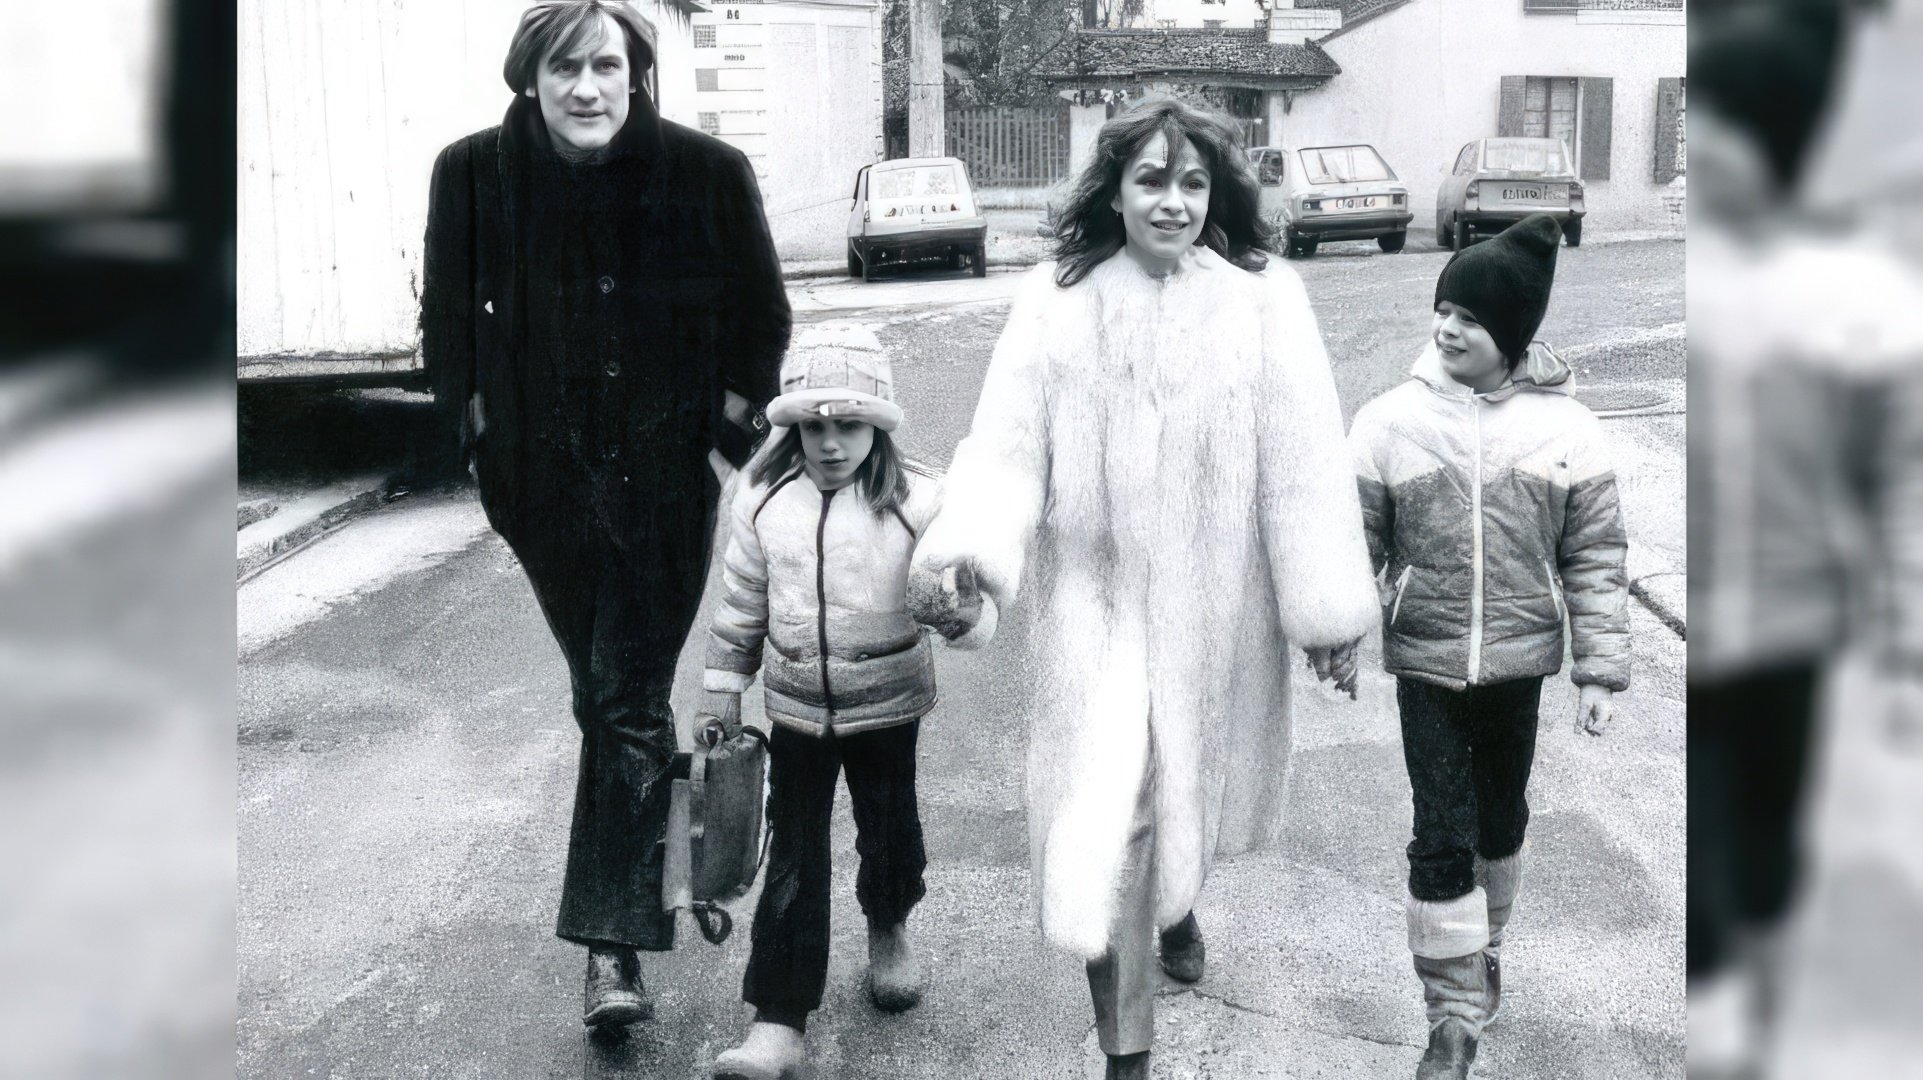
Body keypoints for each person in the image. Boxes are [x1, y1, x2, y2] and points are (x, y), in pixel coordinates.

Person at [907, 98, 1378, 1080]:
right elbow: (1004, 452)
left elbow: (1303, 470)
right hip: (1099, 614)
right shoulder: (1058, 299)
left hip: (1217, 618)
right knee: (1106, 828)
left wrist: (1327, 615)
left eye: (1193, 182)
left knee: (1178, 803)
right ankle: (1127, 1057)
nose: (1173, 202)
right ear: (1113, 190)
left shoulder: (1264, 300)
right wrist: (970, 557)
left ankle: (1183, 903)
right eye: (1152, 180)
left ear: (1218, 195)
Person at [418, 0, 791, 1030]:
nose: (587, 88)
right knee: (604, 699)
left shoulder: (706, 174)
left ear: (637, 75)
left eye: (606, 66)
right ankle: (669, 862)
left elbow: (762, 320)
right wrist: (480, 444)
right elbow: (445, 323)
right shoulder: (473, 174)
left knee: (625, 697)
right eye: (564, 69)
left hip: (668, 492)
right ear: (528, 78)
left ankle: (613, 952)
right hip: (542, 495)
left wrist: (720, 448)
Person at [1687, 5, 1923, 1074]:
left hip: (1793, 629)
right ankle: (1722, 1023)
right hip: (1692, 629)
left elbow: (1897, 484)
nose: (1694, 145)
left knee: (1772, 850)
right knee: (1701, 867)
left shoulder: (1850, 301)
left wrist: (1904, 643)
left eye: (1716, 126)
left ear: (1769, 142)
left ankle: (1760, 1015)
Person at [1347, 213, 1630, 1079]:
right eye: (1442, 309)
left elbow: (1594, 555)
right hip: (1426, 663)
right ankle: (1452, 1016)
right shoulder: (1388, 421)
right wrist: (1334, 629)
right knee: (1440, 832)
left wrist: (1598, 670)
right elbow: (1348, 540)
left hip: (1518, 665)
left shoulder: (1567, 429)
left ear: (1510, 334)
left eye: (1469, 317)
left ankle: (1483, 948)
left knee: (1498, 825)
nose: (1446, 328)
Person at [699, 325, 942, 1080]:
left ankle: (890, 921)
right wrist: (722, 689)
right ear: (790, 426)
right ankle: (777, 1019)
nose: (830, 443)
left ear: (879, 424)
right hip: (796, 708)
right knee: (794, 855)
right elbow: (741, 600)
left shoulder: (917, 502)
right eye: (813, 426)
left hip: (887, 706)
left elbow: (958, 593)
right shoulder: (763, 500)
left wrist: (959, 604)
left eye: (849, 425)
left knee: (889, 828)